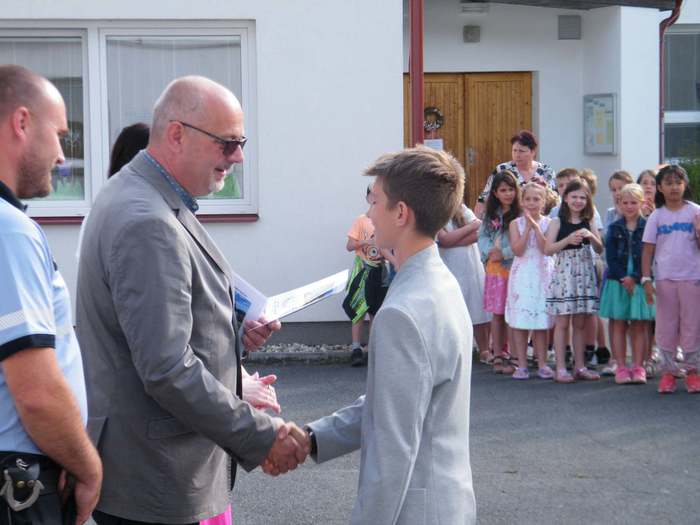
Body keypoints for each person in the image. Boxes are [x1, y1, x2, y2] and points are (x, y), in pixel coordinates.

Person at [76, 76, 308, 525]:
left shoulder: (146, 197)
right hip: (155, 480)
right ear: (177, 134)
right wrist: (262, 436)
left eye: (241, 143)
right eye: (228, 143)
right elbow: (166, 368)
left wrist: (231, 331)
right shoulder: (147, 220)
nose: (238, 157)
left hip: (151, 473)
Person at [302, 146, 476, 524]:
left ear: (401, 213)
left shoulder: (402, 312)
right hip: (446, 504)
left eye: (375, 201)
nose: (368, 214)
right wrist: (313, 438)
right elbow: (394, 401)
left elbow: (393, 450)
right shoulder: (440, 283)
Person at [0, 64, 102, 525]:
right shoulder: (10, 231)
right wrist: (89, 468)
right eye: (59, 135)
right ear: (21, 123)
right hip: (19, 487)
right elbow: (36, 392)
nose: (63, 157)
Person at [641, 164, 700, 394]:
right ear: (660, 187)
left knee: (691, 325)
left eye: (678, 182)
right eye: (669, 183)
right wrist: (646, 279)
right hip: (665, 278)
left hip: (692, 277)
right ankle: (668, 372)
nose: (674, 187)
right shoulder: (657, 215)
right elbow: (647, 250)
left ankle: (692, 372)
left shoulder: (695, 212)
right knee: (666, 326)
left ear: (685, 185)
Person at [545, 179, 604, 383]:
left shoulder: (589, 221)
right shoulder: (557, 222)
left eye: (582, 197)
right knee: (562, 323)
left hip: (584, 274)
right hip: (564, 275)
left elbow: (599, 249)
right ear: (565, 198)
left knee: (580, 323)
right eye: (574, 197)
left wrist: (592, 236)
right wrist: (568, 240)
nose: (578, 201)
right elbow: (548, 249)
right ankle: (561, 368)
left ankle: (580, 366)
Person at [600, 184, 655, 385]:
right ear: (619, 203)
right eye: (625, 202)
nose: (629, 206)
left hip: (640, 280)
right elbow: (611, 258)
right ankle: (621, 366)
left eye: (633, 202)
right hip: (618, 281)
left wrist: (635, 276)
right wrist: (624, 277)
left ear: (641, 203)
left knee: (639, 324)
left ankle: (638, 366)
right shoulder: (614, 228)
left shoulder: (647, 226)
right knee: (618, 323)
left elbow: (650, 255)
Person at [506, 182, 555, 380]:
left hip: (542, 273)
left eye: (536, 199)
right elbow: (518, 250)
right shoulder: (515, 224)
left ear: (543, 202)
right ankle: (522, 364)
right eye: (528, 199)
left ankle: (542, 363)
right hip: (523, 273)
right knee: (521, 320)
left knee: (540, 320)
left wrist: (536, 227)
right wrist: (527, 229)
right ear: (522, 201)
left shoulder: (550, 223)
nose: (532, 203)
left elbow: (546, 249)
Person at [343, 185, 392, 367]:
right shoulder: (361, 220)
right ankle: (356, 348)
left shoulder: (386, 220)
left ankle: (373, 350)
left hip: (380, 270)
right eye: (373, 194)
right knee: (359, 308)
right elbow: (349, 246)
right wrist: (367, 241)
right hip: (363, 269)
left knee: (375, 310)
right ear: (368, 198)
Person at [437, 201, 492, 363]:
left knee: (476, 305)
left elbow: (479, 231)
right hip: (450, 265)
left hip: (470, 265)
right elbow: (444, 240)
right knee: (453, 309)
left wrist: (454, 240)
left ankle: (484, 349)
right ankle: (456, 350)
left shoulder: (461, 209)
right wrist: (470, 227)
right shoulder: (435, 211)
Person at [478, 170, 520, 374]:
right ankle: (497, 353)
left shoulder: (521, 214)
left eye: (511, 189)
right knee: (497, 313)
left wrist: (504, 252)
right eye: (503, 190)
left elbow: (523, 242)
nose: (508, 194)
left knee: (512, 312)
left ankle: (514, 354)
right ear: (495, 192)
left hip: (514, 268)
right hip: (495, 270)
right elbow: (482, 237)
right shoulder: (490, 215)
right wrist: (489, 252)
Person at [475, 129, 555, 217]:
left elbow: (555, 200)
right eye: (514, 150)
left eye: (521, 151)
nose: (517, 155)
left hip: (540, 218)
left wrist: (545, 188)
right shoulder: (502, 169)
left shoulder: (546, 171)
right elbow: (484, 197)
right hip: (508, 218)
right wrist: (478, 220)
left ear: (533, 152)